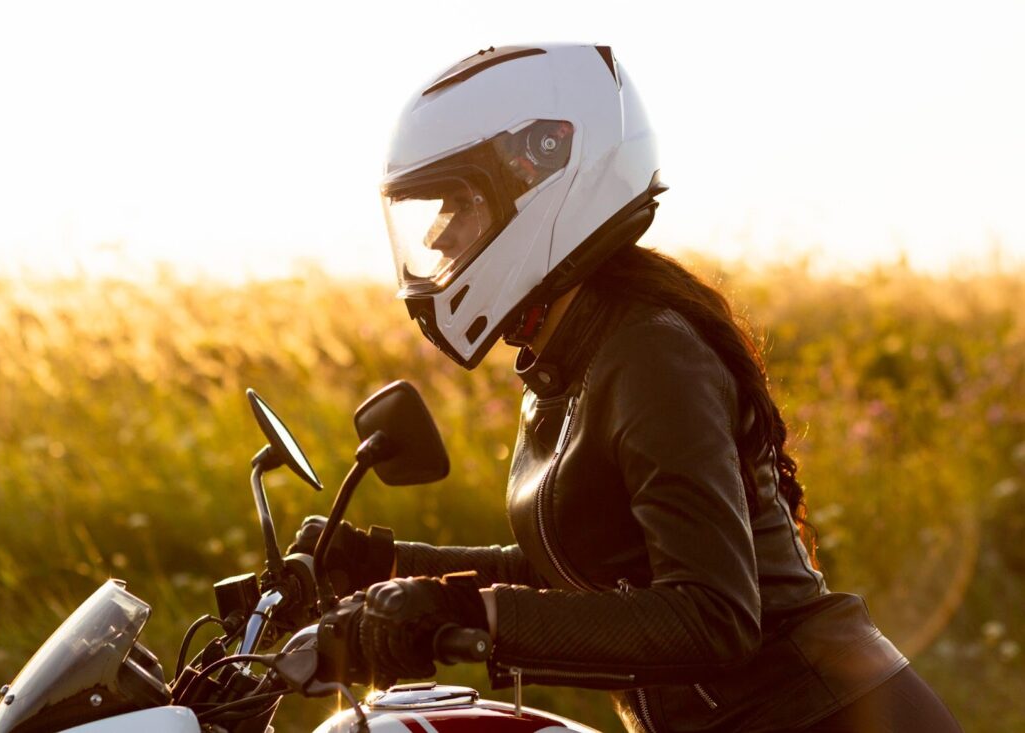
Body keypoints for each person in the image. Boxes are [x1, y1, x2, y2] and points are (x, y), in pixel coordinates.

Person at [300, 43, 962, 732]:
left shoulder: (652, 351)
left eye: (458, 202)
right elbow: (580, 569)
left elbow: (713, 616)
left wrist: (467, 615)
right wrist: (378, 564)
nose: (437, 239)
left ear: (540, 178)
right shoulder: (572, 356)